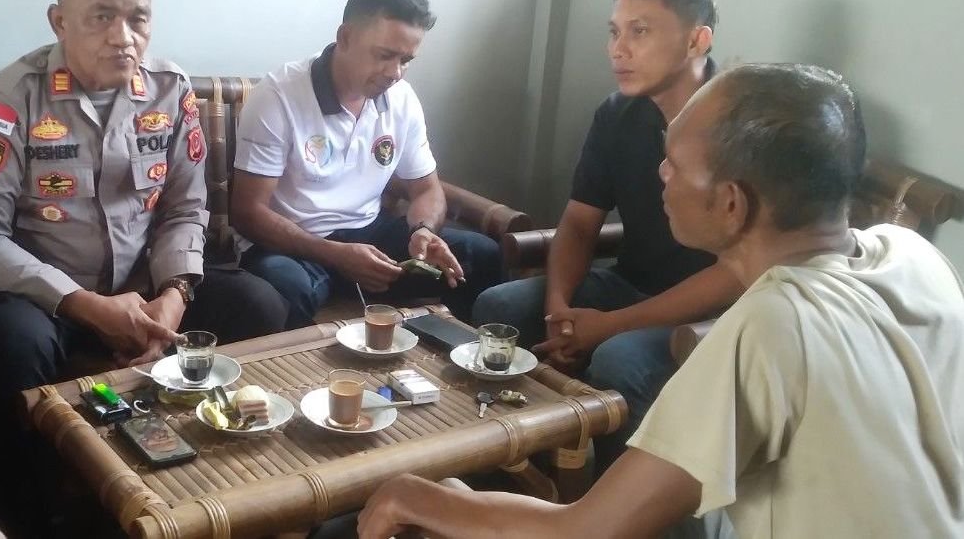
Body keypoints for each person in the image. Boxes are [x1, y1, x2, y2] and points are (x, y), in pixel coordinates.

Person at [357, 63, 964, 539]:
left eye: (673, 164)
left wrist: (415, 494)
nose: (661, 176)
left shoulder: (775, 325)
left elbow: (584, 532)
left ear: (731, 203)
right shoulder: (911, 256)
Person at [0, 0, 287, 533]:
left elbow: (185, 208)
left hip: (145, 284)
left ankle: (222, 480)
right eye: (102, 17)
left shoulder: (169, 91)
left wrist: (174, 295)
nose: (123, 37)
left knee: (260, 303)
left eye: (138, 18)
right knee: (8, 346)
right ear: (59, 21)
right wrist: (86, 306)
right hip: (43, 297)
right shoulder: (6, 102)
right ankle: (32, 515)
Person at [472, 0, 743, 470]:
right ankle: (517, 467)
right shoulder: (618, 114)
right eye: (614, 32)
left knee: (618, 357)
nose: (618, 50)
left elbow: (738, 274)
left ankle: (615, 495)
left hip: (709, 316)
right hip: (627, 284)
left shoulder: (739, 126)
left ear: (697, 40)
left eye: (640, 32)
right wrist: (558, 310)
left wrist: (608, 327)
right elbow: (579, 223)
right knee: (499, 307)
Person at [231, 0, 503, 327]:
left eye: (406, 59)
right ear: (345, 37)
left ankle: (456, 356)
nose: (396, 73)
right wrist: (337, 255)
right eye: (385, 55)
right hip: (296, 244)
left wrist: (423, 231)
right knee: (282, 287)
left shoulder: (401, 98)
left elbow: (426, 189)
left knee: (479, 255)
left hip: (370, 233)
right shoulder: (279, 96)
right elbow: (248, 212)